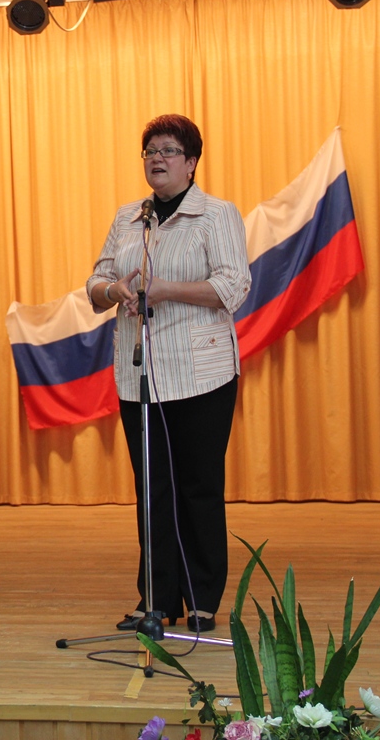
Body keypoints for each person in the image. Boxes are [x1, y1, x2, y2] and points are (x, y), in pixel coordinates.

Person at [86, 115, 250, 632]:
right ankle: (156, 599)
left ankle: (201, 598)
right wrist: (115, 291)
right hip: (139, 374)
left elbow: (233, 286)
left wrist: (164, 290)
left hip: (201, 374)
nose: (157, 159)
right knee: (152, 488)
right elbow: (96, 282)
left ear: (191, 162)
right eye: (150, 151)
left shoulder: (216, 215)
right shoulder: (129, 218)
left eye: (168, 150)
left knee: (198, 486)